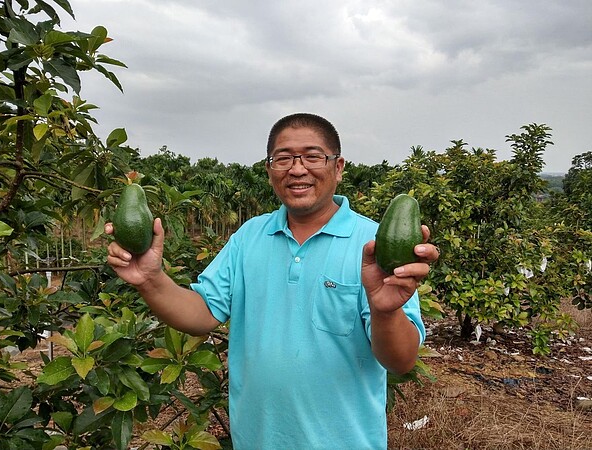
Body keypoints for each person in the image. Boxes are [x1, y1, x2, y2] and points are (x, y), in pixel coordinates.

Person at [106, 113, 439, 449]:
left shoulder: (374, 244)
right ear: (269, 171)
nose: (297, 169)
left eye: (312, 156)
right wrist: (150, 279)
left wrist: (385, 312)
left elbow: (400, 361)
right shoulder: (249, 236)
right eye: (283, 158)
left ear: (338, 168)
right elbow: (202, 313)